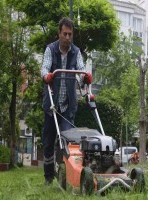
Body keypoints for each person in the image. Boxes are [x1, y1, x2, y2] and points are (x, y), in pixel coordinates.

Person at [40, 17, 92, 185]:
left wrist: (85, 77)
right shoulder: (50, 49)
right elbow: (44, 67)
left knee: (68, 143)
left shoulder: (76, 52)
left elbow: (81, 69)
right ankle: (49, 177)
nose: (68, 38)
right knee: (48, 142)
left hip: (68, 106)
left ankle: (67, 177)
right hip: (52, 106)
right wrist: (46, 75)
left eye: (70, 34)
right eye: (65, 34)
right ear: (59, 33)